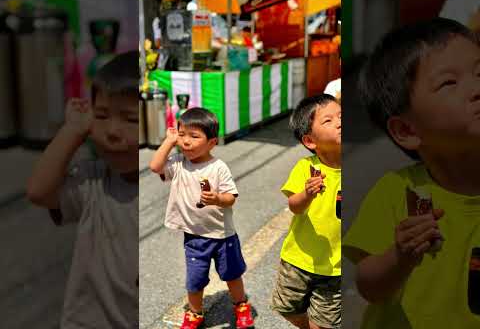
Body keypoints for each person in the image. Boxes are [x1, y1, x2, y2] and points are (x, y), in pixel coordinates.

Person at [343, 18, 480, 328]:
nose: (477, 88)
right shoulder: (397, 191)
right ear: (406, 130)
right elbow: (369, 286)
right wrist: (400, 257)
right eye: (449, 82)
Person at [26, 51, 139, 328]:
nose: (112, 130)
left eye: (131, 119)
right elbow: (39, 192)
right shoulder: (93, 181)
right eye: (101, 115)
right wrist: (72, 131)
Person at [149, 108, 255, 329]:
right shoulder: (178, 163)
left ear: (212, 142)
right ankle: (195, 312)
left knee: (232, 275)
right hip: (195, 238)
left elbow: (230, 198)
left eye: (194, 136)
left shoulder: (218, 167)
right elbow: (155, 166)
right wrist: (169, 142)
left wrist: (217, 198)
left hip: (223, 235)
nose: (186, 141)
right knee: (195, 280)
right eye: (182, 134)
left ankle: (241, 305)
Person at [271, 94, 342, 329]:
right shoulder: (306, 167)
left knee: (326, 324)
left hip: (337, 266)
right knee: (285, 307)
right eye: (328, 121)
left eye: (341, 116)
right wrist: (307, 194)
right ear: (310, 141)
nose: (340, 122)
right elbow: (294, 206)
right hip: (298, 259)